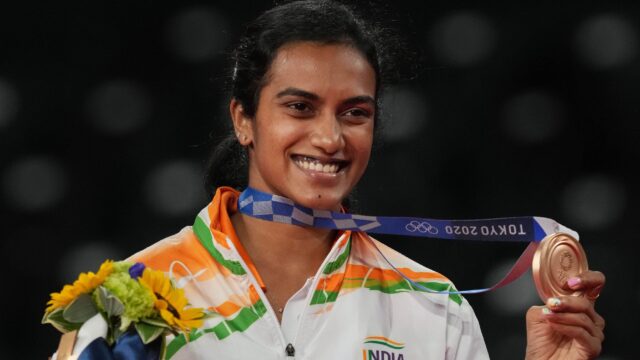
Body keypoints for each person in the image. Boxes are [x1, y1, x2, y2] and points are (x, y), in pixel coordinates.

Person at [53, 1, 606, 358]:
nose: (330, 138)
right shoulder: (130, 300)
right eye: (300, 107)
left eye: (354, 113)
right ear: (243, 119)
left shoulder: (433, 306)